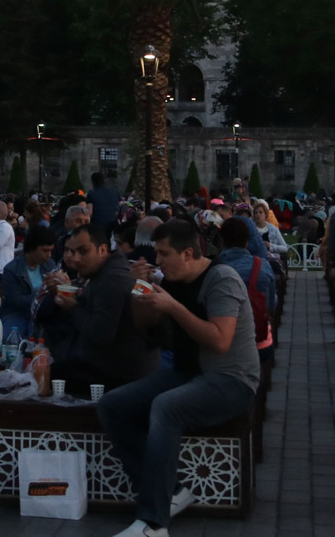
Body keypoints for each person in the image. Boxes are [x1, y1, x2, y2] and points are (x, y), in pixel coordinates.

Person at [98, 219, 259, 537]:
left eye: (163, 253)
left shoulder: (222, 279)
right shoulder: (172, 278)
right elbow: (144, 321)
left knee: (166, 407)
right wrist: (139, 290)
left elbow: (220, 341)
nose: (158, 261)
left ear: (188, 253)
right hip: (187, 374)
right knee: (112, 405)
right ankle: (170, 492)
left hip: (231, 379)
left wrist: (174, 307)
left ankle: (154, 523)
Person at [38, 222, 147, 390]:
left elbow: (101, 333)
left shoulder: (111, 280)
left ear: (102, 250)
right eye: (73, 252)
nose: (76, 259)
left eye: (83, 251)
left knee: (46, 377)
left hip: (117, 372)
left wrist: (73, 307)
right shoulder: (105, 273)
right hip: (113, 364)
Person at [0, 224, 56, 345]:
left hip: (41, 315)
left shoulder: (49, 265)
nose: (49, 255)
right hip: (16, 314)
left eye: (51, 250)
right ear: (31, 248)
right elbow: (16, 302)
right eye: (45, 251)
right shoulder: (12, 270)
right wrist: (41, 292)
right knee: (10, 341)